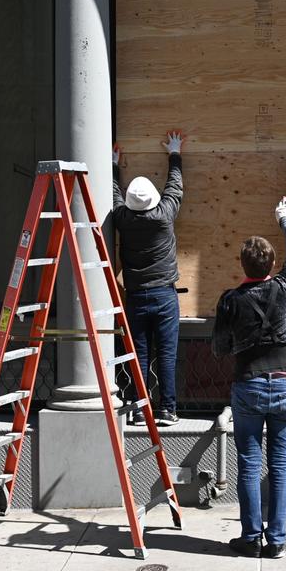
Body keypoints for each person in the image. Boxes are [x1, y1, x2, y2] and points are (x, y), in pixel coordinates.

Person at [212, 195, 286, 560]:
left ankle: (251, 537)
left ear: (242, 265)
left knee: (249, 463)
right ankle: (277, 540)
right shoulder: (285, 286)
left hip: (248, 382)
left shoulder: (230, 300)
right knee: (281, 465)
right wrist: (284, 217)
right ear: (272, 264)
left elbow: (219, 348)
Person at [112, 130, 185, 426]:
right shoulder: (164, 214)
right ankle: (167, 410)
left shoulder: (122, 218)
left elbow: (115, 195)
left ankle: (141, 410)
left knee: (139, 355)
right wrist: (175, 152)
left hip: (136, 296)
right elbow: (175, 188)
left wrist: (114, 165)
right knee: (166, 355)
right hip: (165, 296)